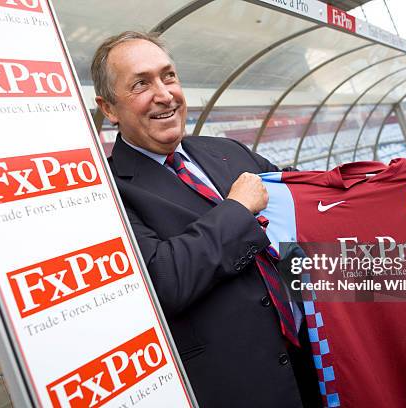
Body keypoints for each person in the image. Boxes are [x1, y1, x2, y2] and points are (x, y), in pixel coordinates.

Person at [91, 31, 321, 408]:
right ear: (110, 109)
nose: (164, 94)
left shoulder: (226, 150)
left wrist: (385, 192)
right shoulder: (109, 190)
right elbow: (164, 281)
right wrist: (237, 210)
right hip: (240, 388)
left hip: (313, 364)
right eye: (140, 84)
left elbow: (302, 200)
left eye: (168, 76)